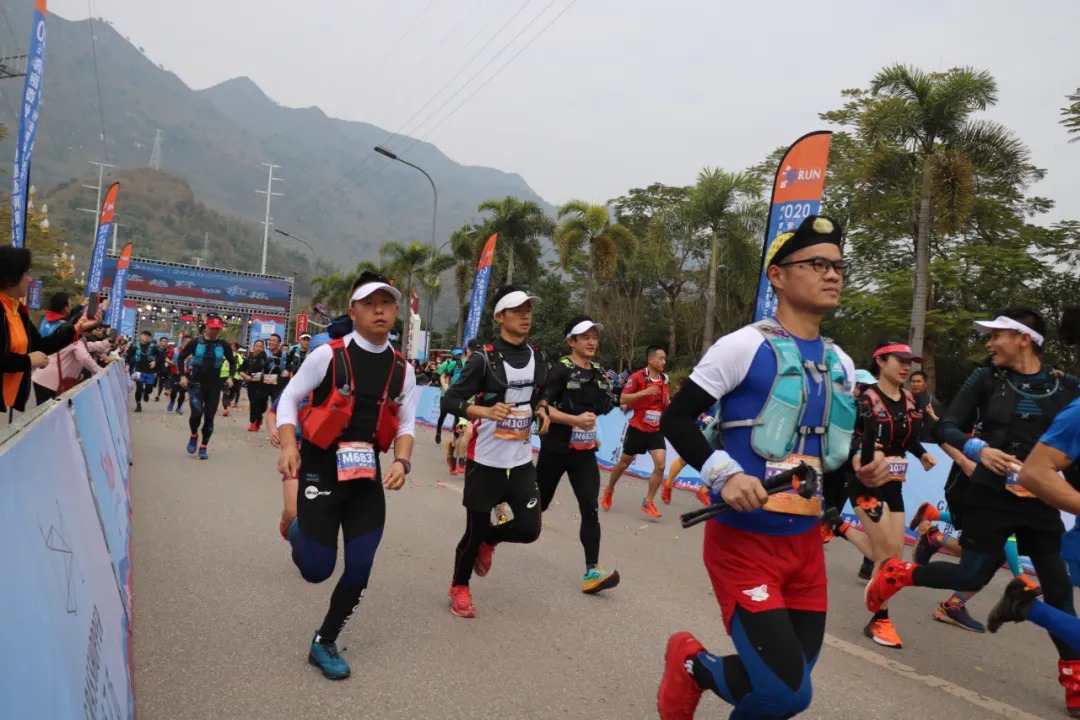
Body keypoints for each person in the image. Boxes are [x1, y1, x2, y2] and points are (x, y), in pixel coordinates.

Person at [655, 216, 886, 720]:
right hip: (745, 545)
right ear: (778, 276)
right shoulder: (743, 346)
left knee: (782, 687)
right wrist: (725, 474)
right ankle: (693, 664)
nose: (833, 274)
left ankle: (694, 666)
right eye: (817, 264)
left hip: (805, 549)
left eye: (838, 266)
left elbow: (829, 455)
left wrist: (861, 468)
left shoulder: (841, 363)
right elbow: (677, 418)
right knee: (787, 694)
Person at [865, 307, 1080, 716]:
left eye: (997, 335)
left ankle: (1075, 682)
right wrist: (977, 448)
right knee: (970, 576)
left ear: (1024, 338)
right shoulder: (985, 378)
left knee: (1058, 591)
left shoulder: (1068, 387)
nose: (989, 342)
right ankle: (898, 572)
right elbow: (945, 425)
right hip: (989, 496)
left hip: (1040, 502)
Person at [275, 271, 417, 680]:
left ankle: (324, 641)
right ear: (353, 311)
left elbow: (406, 423)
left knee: (359, 568)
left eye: (386, 303)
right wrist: (289, 446)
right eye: (369, 303)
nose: (379, 311)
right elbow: (290, 398)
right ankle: (297, 529)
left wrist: (401, 462)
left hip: (365, 479)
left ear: (395, 311)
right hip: (320, 471)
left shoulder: (402, 369)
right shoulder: (328, 356)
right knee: (316, 570)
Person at [441, 285, 551, 619]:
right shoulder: (483, 359)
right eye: (517, 310)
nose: (525, 316)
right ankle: (459, 586)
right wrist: (484, 412)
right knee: (473, 532)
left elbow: (542, 392)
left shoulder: (537, 356)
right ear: (500, 316)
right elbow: (450, 400)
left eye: (528, 310)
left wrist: (542, 409)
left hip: (521, 461)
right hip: (485, 461)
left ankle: (490, 542)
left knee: (530, 529)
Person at [847, 340, 936, 648]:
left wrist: (922, 454)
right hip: (866, 485)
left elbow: (907, 439)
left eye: (909, 362)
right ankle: (880, 619)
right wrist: (861, 454)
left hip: (894, 485)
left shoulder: (910, 400)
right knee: (885, 556)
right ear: (881, 362)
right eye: (899, 360)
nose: (906, 367)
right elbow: (847, 439)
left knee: (893, 556)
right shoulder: (865, 400)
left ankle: (838, 526)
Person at [537, 315, 620, 594]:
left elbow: (594, 409)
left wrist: (591, 430)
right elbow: (543, 408)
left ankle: (592, 571)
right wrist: (575, 421)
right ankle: (491, 535)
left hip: (583, 454)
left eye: (594, 337)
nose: (592, 341)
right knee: (537, 507)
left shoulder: (597, 372)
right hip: (555, 450)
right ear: (570, 341)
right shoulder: (559, 370)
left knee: (590, 506)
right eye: (585, 337)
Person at [602, 345, 670, 518]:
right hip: (638, 428)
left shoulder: (664, 379)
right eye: (661, 358)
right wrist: (645, 392)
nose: (664, 361)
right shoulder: (637, 377)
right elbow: (623, 398)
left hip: (656, 429)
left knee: (661, 465)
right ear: (650, 360)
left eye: (665, 358)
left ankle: (648, 501)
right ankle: (609, 489)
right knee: (624, 463)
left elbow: (665, 403)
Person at [176, 314, 236, 459]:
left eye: (218, 329)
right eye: (212, 328)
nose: (215, 331)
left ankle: (203, 447)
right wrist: (182, 376)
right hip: (196, 384)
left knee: (209, 417)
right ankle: (193, 435)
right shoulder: (196, 342)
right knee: (196, 415)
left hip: (214, 386)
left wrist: (230, 377)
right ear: (206, 327)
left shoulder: (223, 344)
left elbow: (232, 361)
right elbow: (181, 357)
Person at [32, 310, 110, 402]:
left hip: (45, 379)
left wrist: (107, 343)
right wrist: (100, 371)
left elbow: (89, 346)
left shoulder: (78, 339)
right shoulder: (76, 340)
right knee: (48, 409)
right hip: (48, 381)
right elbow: (84, 357)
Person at [434, 348, 467, 445]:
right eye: (457, 355)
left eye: (460, 355)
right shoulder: (450, 363)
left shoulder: (468, 364)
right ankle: (439, 432)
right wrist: (444, 385)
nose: (459, 357)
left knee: (458, 418)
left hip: (458, 395)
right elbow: (439, 375)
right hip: (446, 394)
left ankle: (454, 440)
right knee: (443, 415)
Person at [126, 330, 162, 412]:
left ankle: (145, 392)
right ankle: (138, 405)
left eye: (148, 336)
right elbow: (128, 357)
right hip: (138, 371)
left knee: (149, 389)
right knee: (139, 388)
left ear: (150, 338)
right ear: (141, 336)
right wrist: (127, 365)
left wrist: (155, 362)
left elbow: (161, 356)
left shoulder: (153, 347)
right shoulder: (135, 347)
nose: (146, 337)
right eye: (145, 335)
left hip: (150, 372)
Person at [910, 370, 943, 443]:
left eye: (918, 382)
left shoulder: (932, 403)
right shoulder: (906, 399)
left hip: (926, 442)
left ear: (925, 384)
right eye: (913, 381)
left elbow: (934, 427)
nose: (915, 384)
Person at [243, 339, 269, 430]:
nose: (258, 348)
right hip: (252, 384)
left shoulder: (264, 358)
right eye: (257, 346)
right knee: (253, 403)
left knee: (261, 404)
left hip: (262, 384)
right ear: (253, 347)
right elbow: (241, 370)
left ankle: (259, 417)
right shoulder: (249, 358)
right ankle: (253, 422)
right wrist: (247, 377)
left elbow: (266, 368)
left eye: (261, 347)